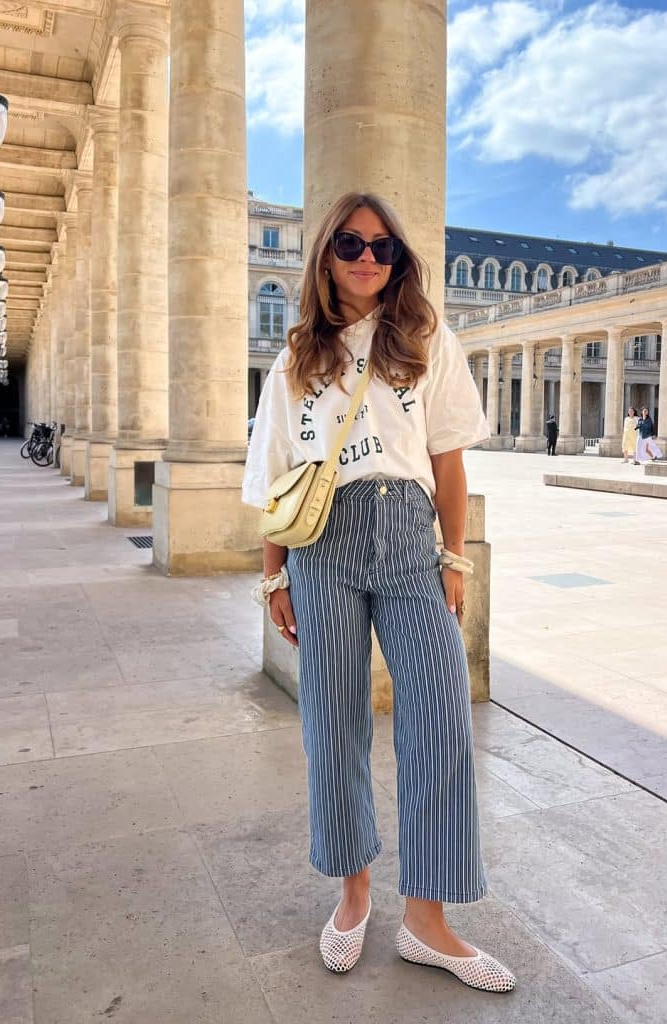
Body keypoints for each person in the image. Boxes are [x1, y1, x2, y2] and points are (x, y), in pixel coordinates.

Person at [242, 192, 516, 994]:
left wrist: (455, 561)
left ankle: (428, 920)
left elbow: (451, 461)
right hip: (321, 547)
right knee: (333, 721)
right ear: (326, 253)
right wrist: (273, 575)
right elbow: (277, 479)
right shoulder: (295, 358)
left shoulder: (428, 340)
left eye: (383, 248)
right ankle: (354, 892)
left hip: (407, 536)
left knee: (438, 716)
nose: (368, 258)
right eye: (353, 244)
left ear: (399, 261)